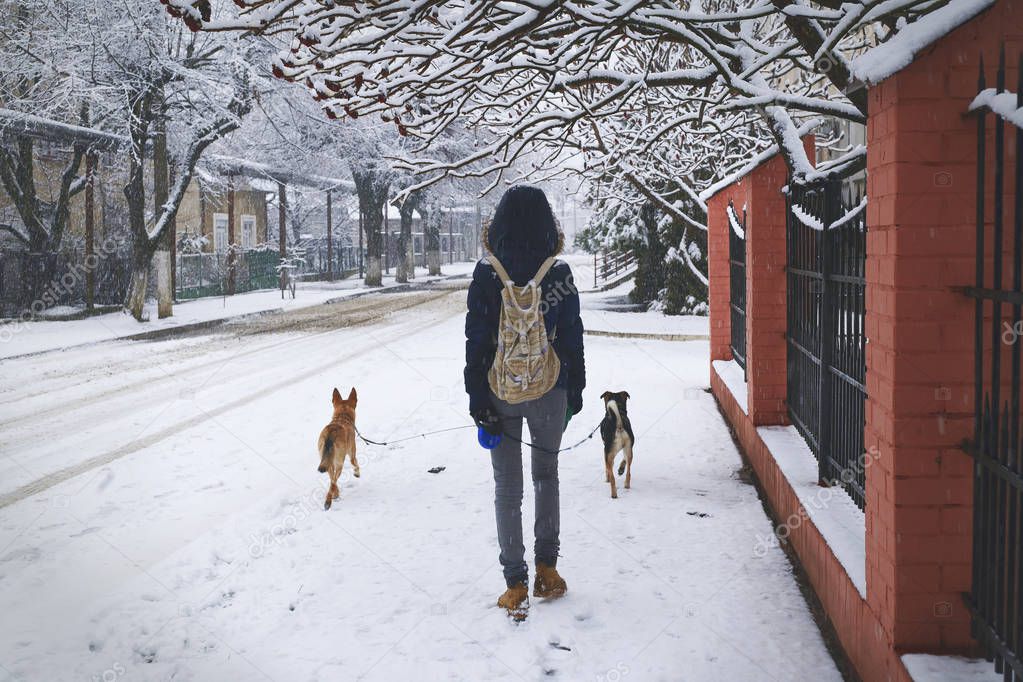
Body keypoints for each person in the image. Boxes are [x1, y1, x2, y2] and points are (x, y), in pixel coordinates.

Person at [464, 185, 586, 620]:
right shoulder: (558, 272)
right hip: (549, 391)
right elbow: (572, 336)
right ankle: (547, 571)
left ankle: (514, 585)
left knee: (507, 489)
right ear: (546, 224)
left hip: (500, 394)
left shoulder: (486, 274)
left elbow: (476, 342)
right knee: (546, 478)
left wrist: (478, 399)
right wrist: (576, 390)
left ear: (497, 225)